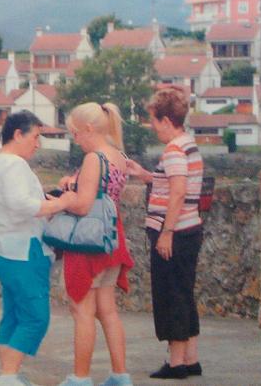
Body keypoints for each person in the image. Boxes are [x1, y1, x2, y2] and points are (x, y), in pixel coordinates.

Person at [0, 110, 77, 386]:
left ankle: (9, 374)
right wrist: (62, 203)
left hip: (2, 248)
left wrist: (46, 199)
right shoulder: (15, 165)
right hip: (23, 250)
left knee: (12, 316)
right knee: (36, 317)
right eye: (35, 137)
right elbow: (21, 204)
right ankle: (8, 377)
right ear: (17, 134)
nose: (38, 143)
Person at [126, 87, 204, 380]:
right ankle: (190, 358)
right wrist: (144, 174)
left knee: (171, 296)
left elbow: (178, 192)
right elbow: (171, 182)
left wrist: (166, 232)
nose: (153, 128)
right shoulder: (188, 145)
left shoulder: (173, 150)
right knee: (184, 293)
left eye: (155, 122)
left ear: (167, 121)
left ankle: (176, 363)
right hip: (190, 229)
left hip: (175, 232)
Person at [57, 102, 135, 386]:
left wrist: (63, 199)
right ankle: (120, 376)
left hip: (88, 243)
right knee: (108, 311)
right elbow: (105, 194)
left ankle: (80, 378)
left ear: (89, 128)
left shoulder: (94, 158)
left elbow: (83, 205)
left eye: (76, 133)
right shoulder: (119, 157)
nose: (75, 139)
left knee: (83, 312)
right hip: (112, 239)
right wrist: (74, 184)